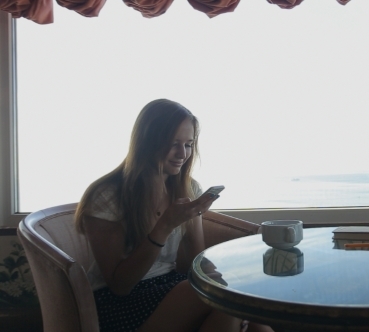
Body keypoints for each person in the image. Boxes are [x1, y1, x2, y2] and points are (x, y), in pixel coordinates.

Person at [74, 99, 272, 332]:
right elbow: (120, 285)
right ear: (147, 142)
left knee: (248, 310)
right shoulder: (108, 196)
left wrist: (227, 283)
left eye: (188, 144)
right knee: (219, 300)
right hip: (117, 303)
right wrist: (165, 225)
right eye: (173, 143)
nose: (183, 153)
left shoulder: (187, 189)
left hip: (167, 287)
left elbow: (195, 263)